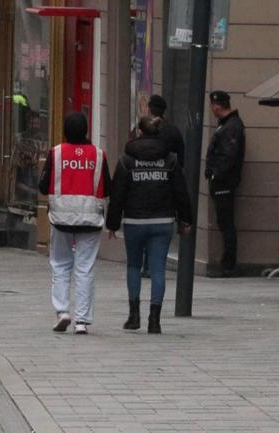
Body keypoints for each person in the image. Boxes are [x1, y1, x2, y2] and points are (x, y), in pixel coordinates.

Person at [107, 116, 193, 334]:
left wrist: (112, 223)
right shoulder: (170, 159)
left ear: (139, 132)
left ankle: (134, 315)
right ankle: (154, 320)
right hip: (162, 222)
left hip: (134, 221)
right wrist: (186, 220)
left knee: (133, 266)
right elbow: (181, 192)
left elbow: (118, 193)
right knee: (158, 269)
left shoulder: (127, 159)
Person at [39, 112, 111, 335]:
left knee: (60, 265)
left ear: (65, 130)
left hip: (61, 219)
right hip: (90, 220)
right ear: (87, 130)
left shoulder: (57, 153)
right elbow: (107, 187)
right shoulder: (98, 155)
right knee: (85, 268)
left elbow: (43, 186)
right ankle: (82, 321)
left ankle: (62, 312)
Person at [133, 95, 185, 278]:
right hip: (166, 186)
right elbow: (181, 159)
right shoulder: (173, 131)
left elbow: (131, 154)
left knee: (146, 224)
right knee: (160, 226)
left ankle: (146, 264)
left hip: (144, 184)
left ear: (148, 108)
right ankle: (155, 264)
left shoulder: (141, 131)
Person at [204, 91, 245, 278]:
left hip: (224, 183)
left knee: (226, 223)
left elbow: (228, 156)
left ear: (217, 106)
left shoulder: (231, 127)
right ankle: (227, 263)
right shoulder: (227, 125)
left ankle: (229, 265)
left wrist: (215, 174)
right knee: (224, 222)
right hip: (223, 182)